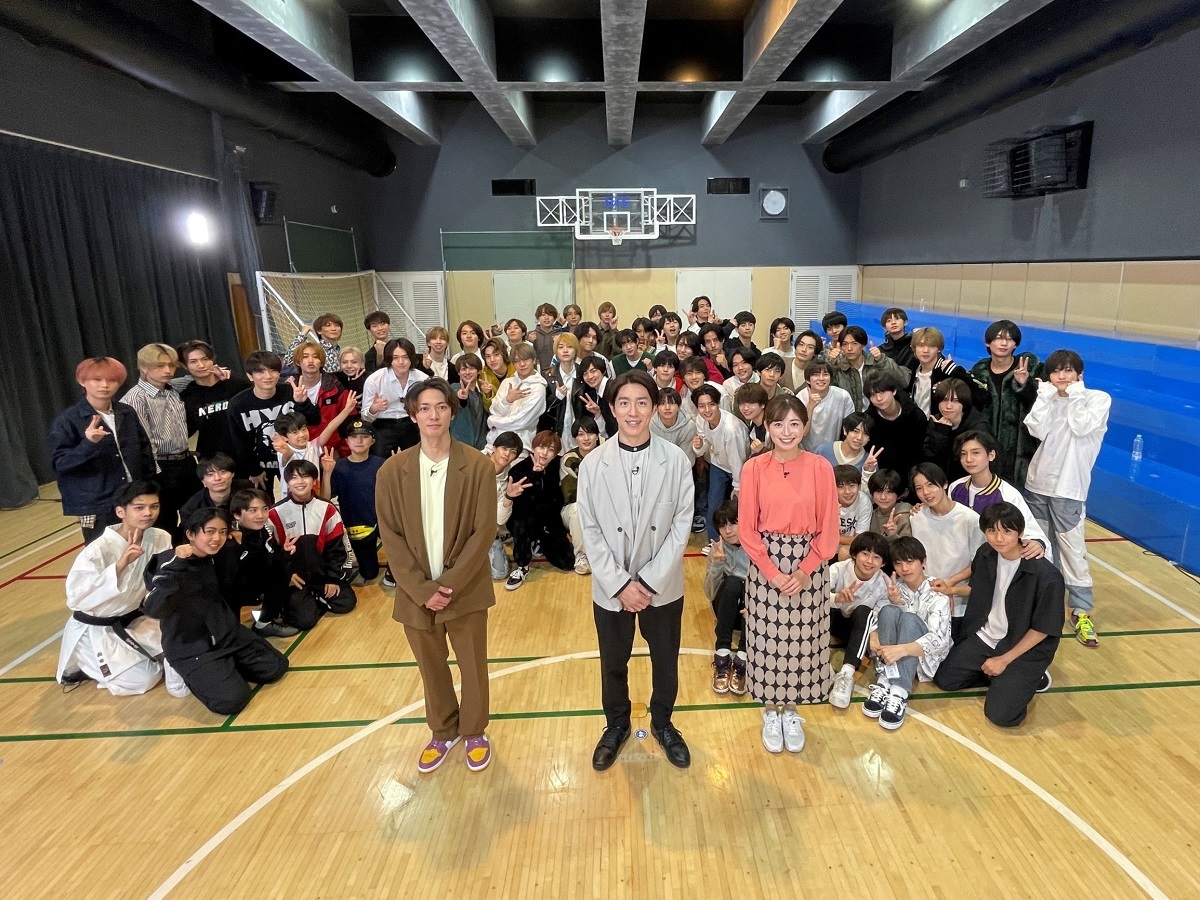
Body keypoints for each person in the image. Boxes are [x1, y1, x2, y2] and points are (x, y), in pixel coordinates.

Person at [375, 379, 499, 773]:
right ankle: (443, 731)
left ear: (451, 412)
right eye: (425, 408)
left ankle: (474, 730)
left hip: (465, 589)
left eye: (441, 407)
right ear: (413, 416)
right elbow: (391, 536)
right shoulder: (391, 471)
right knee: (431, 667)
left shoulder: (477, 465)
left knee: (473, 665)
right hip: (415, 593)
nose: (433, 415)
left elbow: (484, 531)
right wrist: (421, 589)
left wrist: (447, 585)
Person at [578, 370, 695, 771]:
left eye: (642, 402)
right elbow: (590, 530)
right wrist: (620, 584)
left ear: (655, 407)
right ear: (611, 408)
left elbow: (681, 526)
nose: (633, 411)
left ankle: (663, 723)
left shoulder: (676, 461)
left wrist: (645, 582)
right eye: (624, 403)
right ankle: (616, 724)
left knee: (665, 660)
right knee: (613, 662)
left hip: (661, 586)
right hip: (611, 588)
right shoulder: (593, 464)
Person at [738, 395, 840, 754]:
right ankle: (770, 710)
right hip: (766, 565)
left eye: (794, 424)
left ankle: (793, 711)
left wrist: (805, 569)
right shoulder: (753, 468)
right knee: (767, 642)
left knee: (804, 642)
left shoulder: (820, 467)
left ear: (805, 427)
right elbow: (747, 530)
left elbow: (829, 527)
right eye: (779, 424)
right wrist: (771, 571)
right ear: (767, 426)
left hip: (809, 567)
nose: (786, 431)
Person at [144, 507, 290, 715]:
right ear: (190, 534)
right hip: (191, 646)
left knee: (276, 667)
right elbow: (153, 608)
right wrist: (177, 563)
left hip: (226, 634)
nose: (217, 538)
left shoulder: (218, 555)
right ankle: (184, 671)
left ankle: (222, 667)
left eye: (222, 532)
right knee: (232, 701)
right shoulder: (170, 561)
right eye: (210, 531)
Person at [934, 503, 1064, 727]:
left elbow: (1043, 628)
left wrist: (1004, 660)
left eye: (1007, 531)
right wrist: (951, 589)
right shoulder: (986, 554)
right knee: (946, 680)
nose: (999, 538)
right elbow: (979, 589)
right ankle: (1005, 680)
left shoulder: (1046, 575)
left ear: (1020, 533)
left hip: (1022, 646)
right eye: (992, 531)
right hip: (986, 637)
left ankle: (1030, 676)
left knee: (1001, 715)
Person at [56, 480, 183, 696]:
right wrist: (120, 565)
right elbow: (76, 598)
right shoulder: (98, 550)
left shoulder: (160, 537)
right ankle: (86, 664)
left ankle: (130, 658)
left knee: (185, 646)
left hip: (135, 619)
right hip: (98, 629)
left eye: (154, 506)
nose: (148, 513)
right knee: (144, 679)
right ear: (120, 511)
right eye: (139, 507)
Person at [1022, 349, 1111, 648]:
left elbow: (1082, 426)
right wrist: (1045, 397)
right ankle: (1043, 604)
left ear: (1079, 374)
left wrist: (1073, 394)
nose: (1062, 376)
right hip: (1038, 484)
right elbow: (1035, 428)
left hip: (1069, 489)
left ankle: (1081, 610)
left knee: (1073, 550)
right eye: (1056, 371)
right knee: (1040, 548)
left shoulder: (1097, 399)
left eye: (1068, 370)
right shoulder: (1048, 397)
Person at [49, 356, 156, 544]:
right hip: (97, 504)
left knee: (140, 549)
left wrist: (148, 487)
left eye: (111, 380)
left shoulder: (126, 412)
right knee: (104, 553)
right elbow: (61, 464)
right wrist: (88, 443)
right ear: (82, 381)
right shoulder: (68, 420)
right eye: (97, 380)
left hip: (133, 497)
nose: (104, 385)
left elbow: (144, 452)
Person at [863, 536, 953, 730]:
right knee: (888, 610)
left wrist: (902, 650)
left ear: (923, 562)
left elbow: (940, 640)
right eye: (898, 563)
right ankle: (885, 681)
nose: (904, 568)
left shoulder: (938, 593)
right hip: (892, 656)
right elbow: (876, 617)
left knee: (910, 619)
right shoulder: (896, 588)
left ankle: (899, 692)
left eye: (910, 561)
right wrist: (874, 634)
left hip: (923, 659)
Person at [121, 343, 198, 540]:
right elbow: (143, 443)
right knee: (165, 523)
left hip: (185, 462)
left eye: (171, 365)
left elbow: (194, 378)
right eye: (160, 366)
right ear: (144, 367)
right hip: (161, 466)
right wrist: (152, 476)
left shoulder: (172, 390)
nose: (167, 371)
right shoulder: (136, 398)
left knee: (197, 516)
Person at [267, 460, 357, 629]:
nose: (300, 482)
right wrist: (285, 575)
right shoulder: (275, 513)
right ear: (287, 482)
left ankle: (313, 597)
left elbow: (338, 548)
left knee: (346, 602)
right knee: (304, 621)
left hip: (321, 577)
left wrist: (332, 578)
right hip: (294, 579)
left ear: (314, 480)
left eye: (305, 476)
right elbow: (269, 553)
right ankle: (300, 601)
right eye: (294, 478)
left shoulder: (327, 509)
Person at [226, 351, 320, 496]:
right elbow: (239, 442)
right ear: (250, 376)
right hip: (260, 464)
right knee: (262, 502)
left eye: (273, 370)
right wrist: (254, 470)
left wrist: (302, 403)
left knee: (299, 501)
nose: (268, 376)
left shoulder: (290, 391)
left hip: (294, 459)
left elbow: (315, 420)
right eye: (260, 372)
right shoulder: (238, 404)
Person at [908, 463, 985, 639]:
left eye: (930, 484)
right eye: (919, 488)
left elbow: (978, 563)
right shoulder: (916, 517)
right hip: (925, 600)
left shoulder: (970, 519)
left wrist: (948, 585)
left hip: (958, 603)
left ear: (944, 484)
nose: (926, 492)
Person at [949, 430, 1051, 560]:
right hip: (959, 557)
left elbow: (1030, 530)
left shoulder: (1008, 494)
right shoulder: (955, 488)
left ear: (991, 455)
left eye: (976, 453)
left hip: (993, 560)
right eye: (963, 454)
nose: (969, 459)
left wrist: (1038, 543)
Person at [970, 319, 1042, 486]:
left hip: (1021, 450)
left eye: (1010, 339)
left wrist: (1026, 384)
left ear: (1015, 344)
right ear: (988, 342)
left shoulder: (1031, 367)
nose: (1004, 343)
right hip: (987, 446)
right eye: (998, 338)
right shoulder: (979, 371)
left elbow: (1041, 404)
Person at [826, 531, 892, 709]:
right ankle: (821, 664)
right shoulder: (838, 569)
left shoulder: (884, 583)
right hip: (833, 620)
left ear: (883, 563)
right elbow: (816, 596)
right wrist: (837, 598)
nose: (869, 561)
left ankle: (846, 674)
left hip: (859, 630)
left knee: (864, 611)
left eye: (876, 557)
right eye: (865, 553)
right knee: (822, 606)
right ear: (855, 554)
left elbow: (877, 617)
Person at [503, 430, 576, 590]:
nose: (544, 453)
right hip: (525, 520)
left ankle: (540, 543)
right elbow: (521, 508)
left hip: (549, 522)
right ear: (533, 447)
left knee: (568, 563)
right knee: (521, 524)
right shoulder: (518, 470)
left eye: (550, 449)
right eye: (541, 447)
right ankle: (522, 567)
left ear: (555, 454)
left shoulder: (558, 465)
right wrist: (534, 475)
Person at [227, 488, 301, 637]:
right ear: (237, 515)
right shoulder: (229, 540)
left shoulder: (263, 531)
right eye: (253, 510)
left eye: (265, 509)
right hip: (229, 590)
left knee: (281, 572)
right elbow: (226, 582)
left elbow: (269, 562)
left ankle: (264, 623)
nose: (260, 515)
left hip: (250, 583)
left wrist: (284, 553)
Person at [321, 419, 386, 584]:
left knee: (401, 554)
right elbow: (325, 499)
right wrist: (327, 473)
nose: (359, 441)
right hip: (358, 526)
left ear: (373, 441)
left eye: (364, 436)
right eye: (354, 437)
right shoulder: (338, 467)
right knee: (369, 573)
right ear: (347, 441)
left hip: (384, 522)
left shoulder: (382, 464)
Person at [692, 385, 748, 544]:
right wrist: (698, 446)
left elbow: (737, 461)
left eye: (711, 404)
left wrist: (737, 487)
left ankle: (741, 545)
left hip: (741, 468)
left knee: (738, 509)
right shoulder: (701, 420)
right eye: (701, 406)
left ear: (718, 404)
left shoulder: (731, 429)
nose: (707, 410)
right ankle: (715, 543)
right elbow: (702, 447)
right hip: (720, 464)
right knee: (713, 505)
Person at [706, 499, 750, 695]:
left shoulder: (758, 547)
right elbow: (710, 593)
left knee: (750, 586)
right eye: (722, 526)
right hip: (726, 612)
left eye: (733, 523)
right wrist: (717, 565)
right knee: (732, 582)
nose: (728, 530)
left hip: (751, 612)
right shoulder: (718, 548)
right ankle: (722, 655)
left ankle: (743, 657)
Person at [177, 339, 247, 461]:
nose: (201, 365)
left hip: (246, 455)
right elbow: (186, 432)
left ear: (212, 360)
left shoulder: (237, 386)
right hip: (212, 461)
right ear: (185, 365)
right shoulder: (186, 397)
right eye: (193, 361)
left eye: (205, 359)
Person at [362, 337, 428, 457]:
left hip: (412, 423)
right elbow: (365, 417)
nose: (401, 362)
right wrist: (374, 408)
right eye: (395, 358)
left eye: (405, 357)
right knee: (380, 458)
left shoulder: (422, 379)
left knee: (416, 457)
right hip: (383, 425)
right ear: (389, 359)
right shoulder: (375, 379)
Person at [863, 370, 927, 486]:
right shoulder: (868, 421)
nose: (878, 398)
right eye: (873, 395)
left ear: (894, 391)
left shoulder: (915, 416)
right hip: (882, 481)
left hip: (913, 479)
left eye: (882, 392)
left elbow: (922, 452)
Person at [923, 378, 990, 483]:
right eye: (944, 400)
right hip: (941, 482)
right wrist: (941, 433)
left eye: (955, 401)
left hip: (970, 480)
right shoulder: (935, 421)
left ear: (964, 403)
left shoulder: (978, 426)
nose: (948, 406)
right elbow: (929, 457)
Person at [830, 325, 911, 413]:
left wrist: (882, 360)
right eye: (845, 344)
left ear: (863, 345)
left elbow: (904, 381)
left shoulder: (877, 362)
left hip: (879, 416)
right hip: (851, 418)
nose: (849, 348)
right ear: (840, 347)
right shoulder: (838, 368)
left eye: (854, 343)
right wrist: (831, 364)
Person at [906, 326, 982, 416]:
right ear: (914, 348)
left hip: (939, 423)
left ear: (939, 349)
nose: (925, 350)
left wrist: (957, 372)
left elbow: (980, 396)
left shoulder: (948, 372)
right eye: (921, 345)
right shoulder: (913, 369)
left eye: (931, 346)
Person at [486, 343, 548, 451]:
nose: (522, 364)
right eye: (517, 361)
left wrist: (493, 421)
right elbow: (494, 410)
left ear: (533, 360)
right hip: (493, 443)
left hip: (519, 447)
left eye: (526, 359)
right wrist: (507, 400)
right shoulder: (507, 382)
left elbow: (521, 422)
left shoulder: (538, 388)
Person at [560, 417, 600, 576]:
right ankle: (581, 555)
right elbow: (571, 494)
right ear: (574, 438)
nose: (586, 438)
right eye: (581, 434)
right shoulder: (569, 459)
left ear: (597, 436)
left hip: (602, 507)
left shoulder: (607, 454)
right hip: (573, 508)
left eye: (590, 433)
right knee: (577, 509)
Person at [799, 361, 854, 452]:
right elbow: (803, 432)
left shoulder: (843, 396)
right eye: (816, 375)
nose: (821, 378)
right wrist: (810, 407)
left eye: (825, 374)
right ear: (808, 380)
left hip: (832, 451)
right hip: (805, 451)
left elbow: (850, 427)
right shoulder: (800, 398)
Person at [542, 333, 582, 451]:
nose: (565, 350)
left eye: (569, 347)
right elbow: (542, 408)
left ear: (576, 350)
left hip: (580, 432)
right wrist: (557, 396)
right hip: (556, 432)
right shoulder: (547, 375)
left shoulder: (583, 373)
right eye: (561, 347)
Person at [179, 453, 240, 525]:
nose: (217, 478)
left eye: (223, 472)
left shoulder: (246, 493)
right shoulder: (191, 509)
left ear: (233, 474)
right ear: (202, 480)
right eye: (210, 474)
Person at [815, 412, 881, 477]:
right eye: (855, 431)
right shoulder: (823, 450)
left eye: (865, 433)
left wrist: (867, 472)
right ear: (845, 430)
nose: (859, 437)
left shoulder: (870, 461)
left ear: (869, 438)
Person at [449, 353, 487, 450]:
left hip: (480, 446)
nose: (467, 372)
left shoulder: (480, 394)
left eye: (471, 368)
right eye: (463, 369)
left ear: (479, 371)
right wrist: (462, 398)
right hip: (459, 443)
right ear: (458, 372)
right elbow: (457, 399)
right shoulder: (454, 388)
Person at [572, 356, 617, 439]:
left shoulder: (613, 389)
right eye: (585, 374)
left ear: (603, 371)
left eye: (593, 371)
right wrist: (597, 413)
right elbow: (606, 432)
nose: (589, 376)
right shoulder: (596, 393)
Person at [835, 463, 873, 560]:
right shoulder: (826, 501)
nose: (847, 491)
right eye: (841, 487)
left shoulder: (864, 502)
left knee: (844, 552)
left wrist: (834, 538)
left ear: (859, 487)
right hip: (826, 548)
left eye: (851, 486)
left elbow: (860, 539)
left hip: (851, 548)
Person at [867, 469, 913, 543]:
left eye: (889, 492)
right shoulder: (870, 514)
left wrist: (892, 536)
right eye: (878, 491)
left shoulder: (907, 515)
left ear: (898, 495)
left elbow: (908, 547)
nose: (883, 497)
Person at [479, 338, 514, 411]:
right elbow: (489, 409)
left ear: (503, 354)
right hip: (496, 414)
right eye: (488, 356)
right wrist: (488, 394)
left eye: (496, 355)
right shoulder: (483, 374)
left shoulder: (515, 368)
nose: (492, 360)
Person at [736, 383, 768, 455]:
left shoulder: (772, 426)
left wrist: (762, 450)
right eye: (742, 403)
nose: (745, 408)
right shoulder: (752, 423)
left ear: (762, 404)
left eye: (751, 403)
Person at [768, 316, 797, 390]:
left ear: (792, 331)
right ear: (773, 334)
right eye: (778, 330)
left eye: (786, 328)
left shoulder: (796, 352)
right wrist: (776, 349)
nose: (782, 332)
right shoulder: (768, 352)